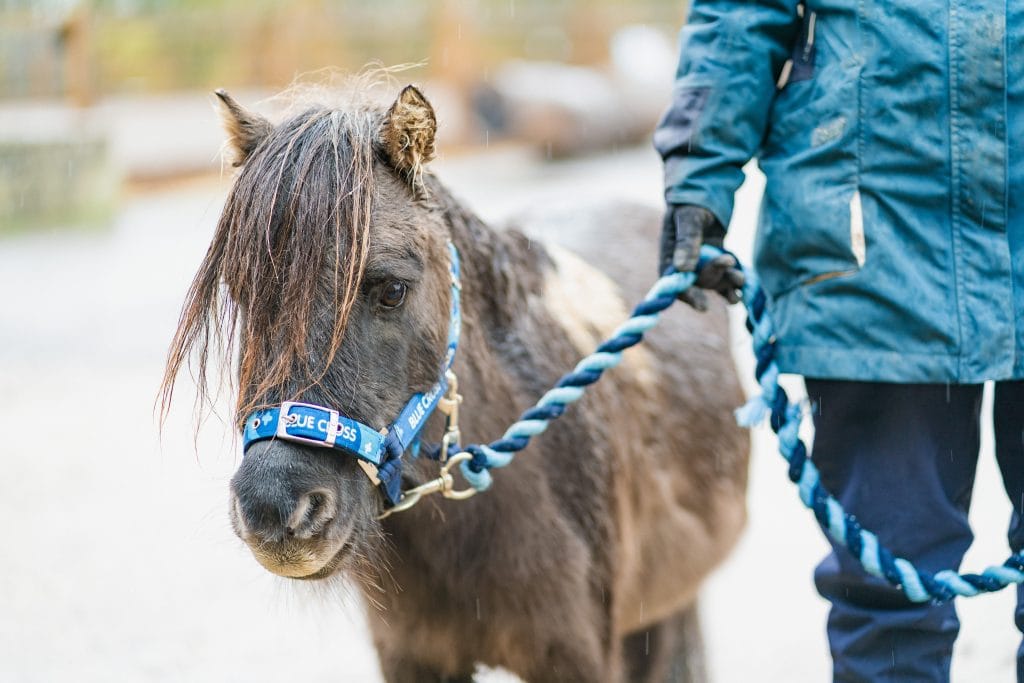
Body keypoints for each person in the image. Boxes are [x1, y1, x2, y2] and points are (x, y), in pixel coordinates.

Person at [654, 1, 1024, 681]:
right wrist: (698, 180)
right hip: (873, 239)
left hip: (873, 224)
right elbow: (739, 12)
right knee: (891, 595)